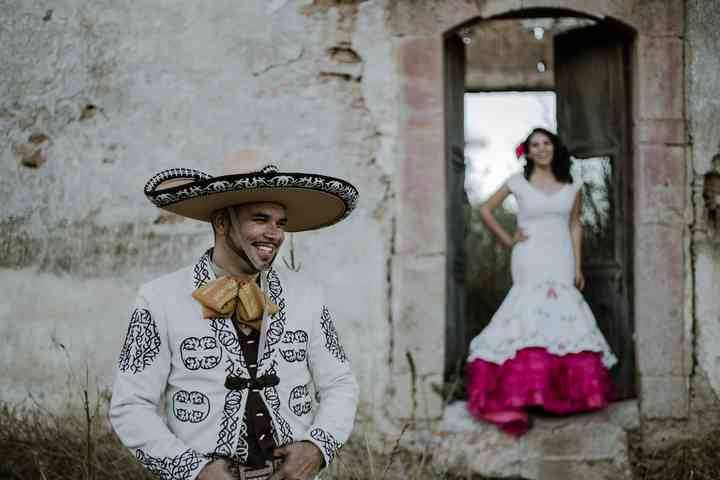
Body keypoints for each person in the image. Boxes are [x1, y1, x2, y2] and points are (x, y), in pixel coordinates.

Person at [110, 149, 360, 480]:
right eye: (260, 219)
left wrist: (317, 448)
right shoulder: (159, 298)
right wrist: (194, 471)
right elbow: (130, 406)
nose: (275, 234)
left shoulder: (308, 296)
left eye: (280, 222)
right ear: (222, 223)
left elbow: (340, 383)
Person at [465, 128, 617, 436]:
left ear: (554, 148)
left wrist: (577, 265)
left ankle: (563, 394)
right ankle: (525, 392)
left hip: (560, 256)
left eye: (546, 143)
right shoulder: (517, 182)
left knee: (563, 313)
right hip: (529, 255)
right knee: (528, 310)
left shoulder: (572, 185)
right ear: (528, 151)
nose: (541, 148)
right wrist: (509, 239)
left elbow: (575, 225)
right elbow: (484, 209)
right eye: (535, 145)